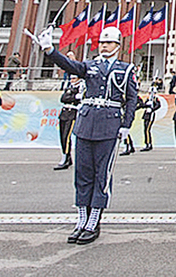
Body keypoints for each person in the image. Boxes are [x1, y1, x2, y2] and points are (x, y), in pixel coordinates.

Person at [35, 25, 139, 244]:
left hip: (109, 126)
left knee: (102, 175)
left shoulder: (126, 69)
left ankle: (94, 221)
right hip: (85, 123)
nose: (103, 46)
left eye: (108, 43)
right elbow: (70, 66)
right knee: (82, 173)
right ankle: (81, 219)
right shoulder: (89, 66)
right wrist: (50, 50)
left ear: (118, 46)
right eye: (101, 43)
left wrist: (126, 124)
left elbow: (131, 99)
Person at [55, 78, 83, 170]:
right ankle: (67, 156)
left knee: (66, 137)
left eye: (74, 78)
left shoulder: (82, 87)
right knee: (62, 136)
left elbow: (81, 98)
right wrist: (74, 97)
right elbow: (63, 99)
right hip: (64, 112)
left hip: (72, 113)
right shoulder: (69, 86)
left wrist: (71, 98)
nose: (72, 80)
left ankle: (65, 158)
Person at [139, 78, 163, 152]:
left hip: (151, 115)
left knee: (147, 130)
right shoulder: (148, 99)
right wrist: (146, 105)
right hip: (146, 114)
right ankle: (146, 143)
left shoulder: (155, 99)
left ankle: (149, 144)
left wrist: (152, 108)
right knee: (145, 129)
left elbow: (158, 105)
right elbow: (143, 105)